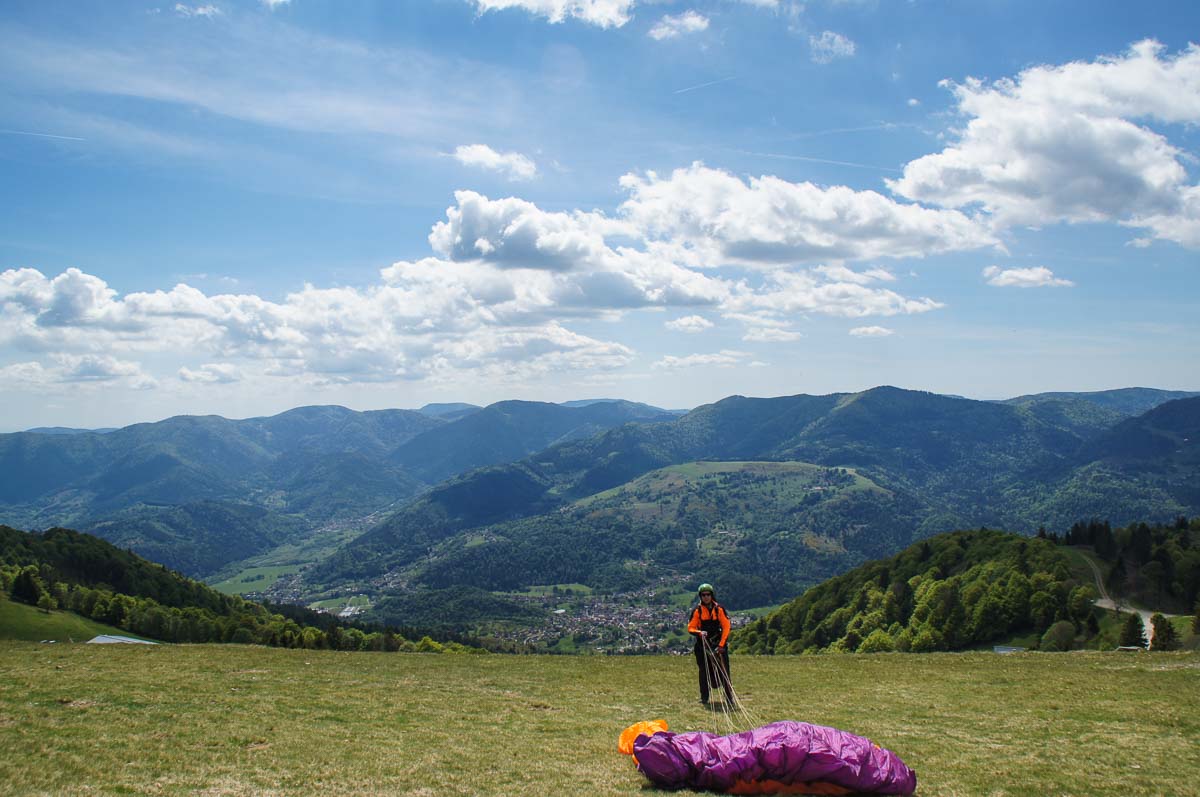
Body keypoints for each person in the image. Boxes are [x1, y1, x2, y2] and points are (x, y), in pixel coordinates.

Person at [687, 583, 734, 705]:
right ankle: (704, 698)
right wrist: (699, 632)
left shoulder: (719, 609)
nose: (706, 597)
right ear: (700, 596)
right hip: (702, 646)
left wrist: (721, 645)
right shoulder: (697, 611)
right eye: (703, 595)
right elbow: (691, 627)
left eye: (708, 594)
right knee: (704, 671)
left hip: (718, 644)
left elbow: (726, 627)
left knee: (724, 671)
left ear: (712, 595)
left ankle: (729, 698)